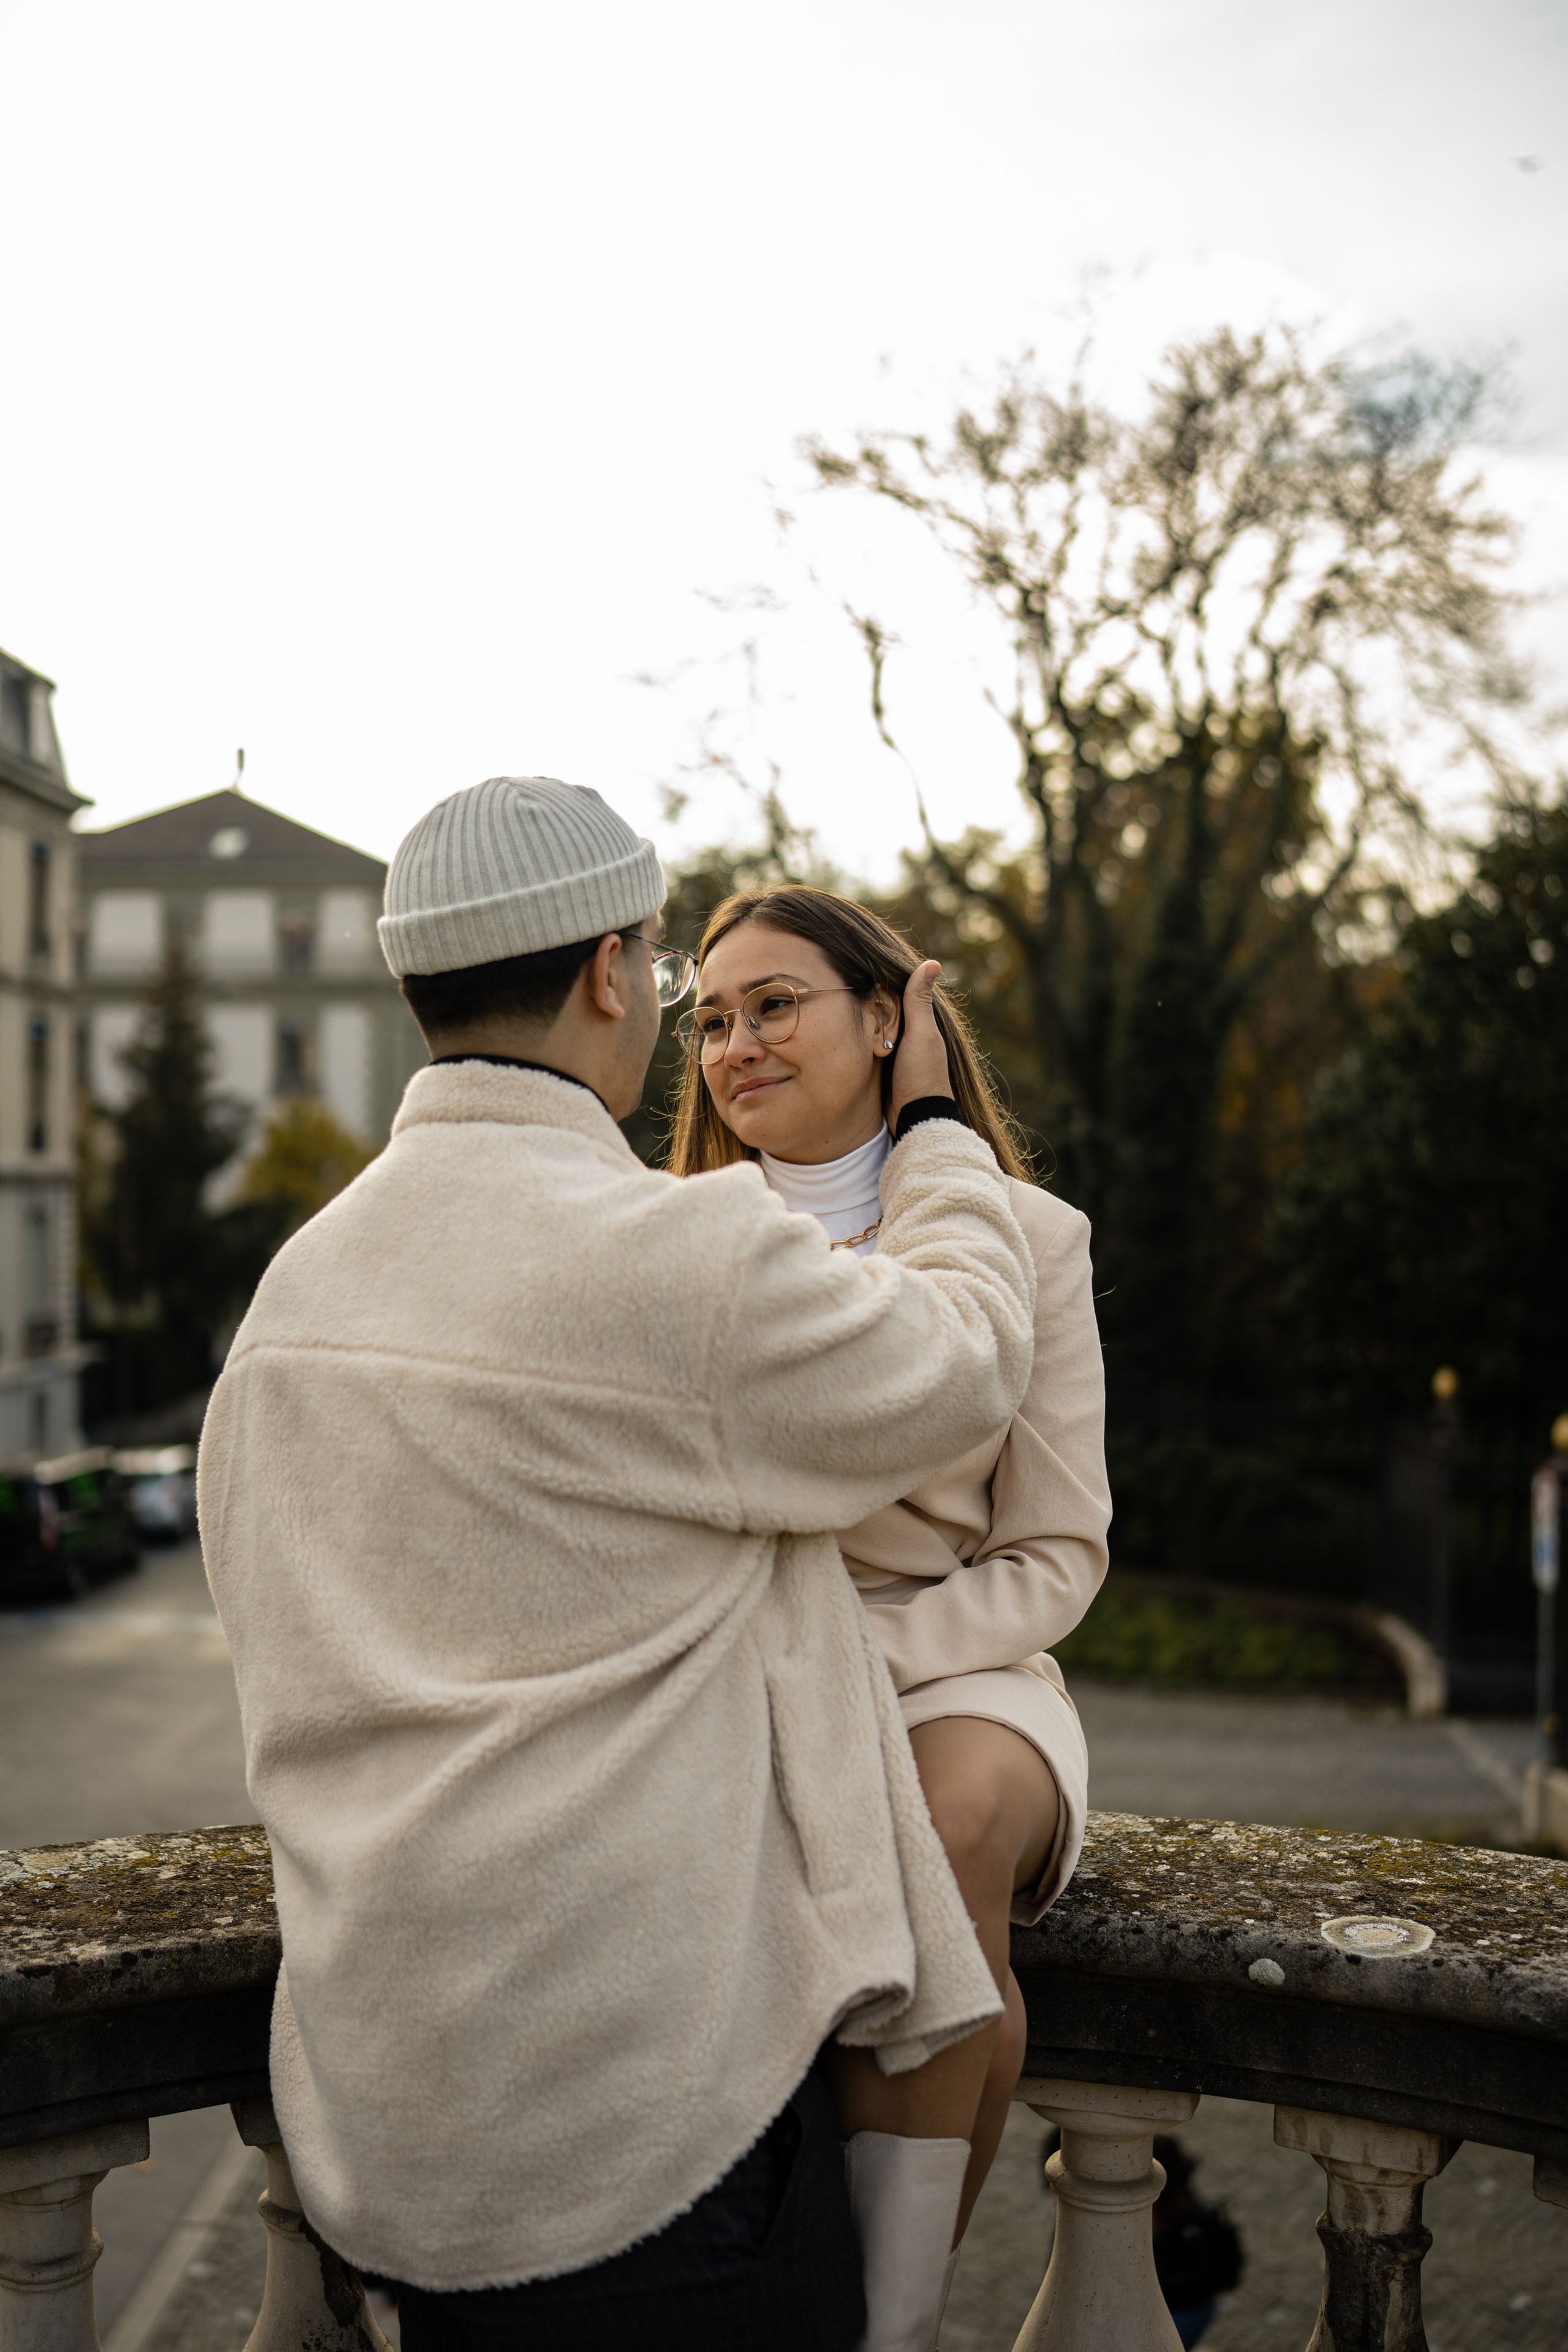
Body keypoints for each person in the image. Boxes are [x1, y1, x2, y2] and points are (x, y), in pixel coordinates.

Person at [198, 777, 1042, 2352]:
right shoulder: (678, 1260)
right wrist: (928, 1124)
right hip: (644, 2126)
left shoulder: (290, 1299)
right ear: (607, 974)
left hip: (386, 2118)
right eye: (664, 973)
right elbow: (966, 1356)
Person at [669, 886, 1111, 2307]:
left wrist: (868, 1655)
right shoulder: (653, 1244)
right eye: (710, 1018)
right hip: (725, 1671)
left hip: (956, 1668)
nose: (735, 1042)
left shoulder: (1033, 1242)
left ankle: (890, 2324)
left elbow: (1057, 1551)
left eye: (774, 1004)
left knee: (945, 1820)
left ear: (886, 1019)